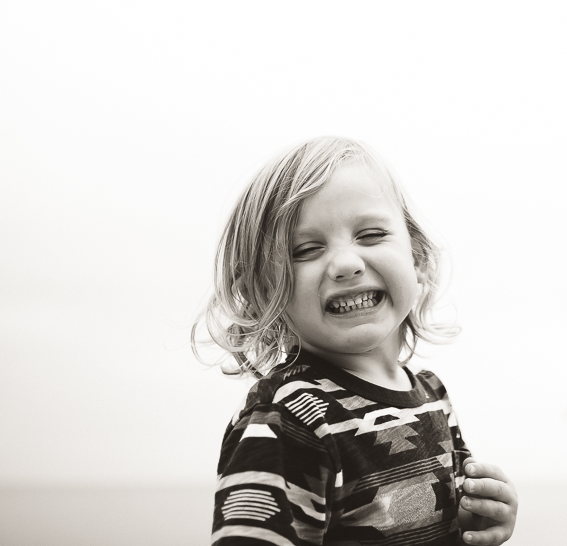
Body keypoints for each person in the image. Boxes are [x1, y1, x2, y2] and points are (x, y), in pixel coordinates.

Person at [194, 137, 518, 546]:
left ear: (416, 258)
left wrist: (481, 517)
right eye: (306, 249)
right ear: (263, 289)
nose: (346, 264)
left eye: (371, 234)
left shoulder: (432, 394)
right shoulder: (289, 418)